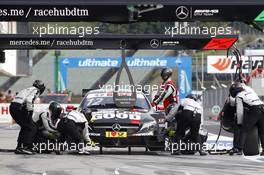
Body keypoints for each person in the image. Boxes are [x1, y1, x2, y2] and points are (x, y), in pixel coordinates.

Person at [9, 80, 45, 155]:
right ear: (40, 87)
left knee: (25, 127)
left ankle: (19, 147)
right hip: (19, 107)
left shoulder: (27, 89)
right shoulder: (36, 90)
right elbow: (29, 100)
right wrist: (30, 110)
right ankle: (26, 147)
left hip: (13, 106)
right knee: (32, 127)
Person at [229, 82, 264, 155]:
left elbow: (239, 111)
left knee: (244, 129)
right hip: (262, 107)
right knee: (262, 132)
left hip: (255, 110)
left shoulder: (239, 96)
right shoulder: (249, 89)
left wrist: (239, 122)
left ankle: (239, 149)